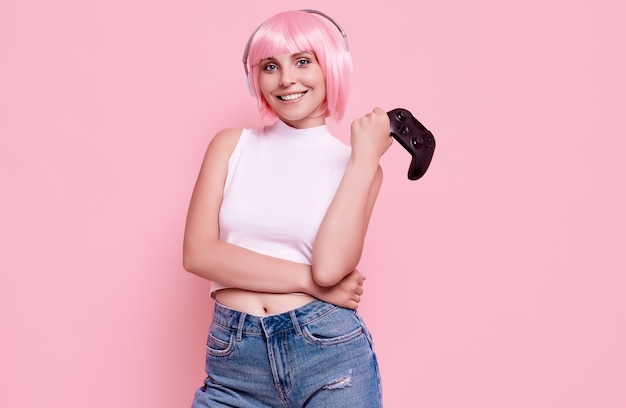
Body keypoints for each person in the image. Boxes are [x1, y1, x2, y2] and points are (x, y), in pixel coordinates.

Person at [183, 9, 392, 407]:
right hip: (234, 362)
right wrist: (311, 282)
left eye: (302, 61)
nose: (286, 79)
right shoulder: (230, 145)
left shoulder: (357, 166)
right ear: (254, 79)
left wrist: (365, 160)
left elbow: (331, 267)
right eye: (270, 66)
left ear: (332, 67)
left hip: (329, 355)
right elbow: (198, 254)